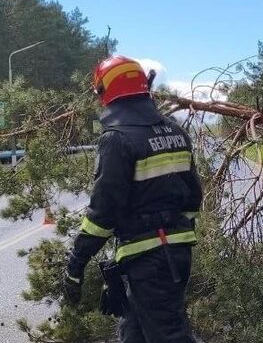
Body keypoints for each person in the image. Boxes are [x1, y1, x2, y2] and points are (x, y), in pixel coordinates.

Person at [62, 55, 203, 343]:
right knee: (133, 333)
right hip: (171, 255)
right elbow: (192, 198)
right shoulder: (175, 132)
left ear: (107, 92)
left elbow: (103, 213)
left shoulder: (117, 139)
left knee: (170, 336)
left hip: (151, 259)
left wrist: (77, 261)